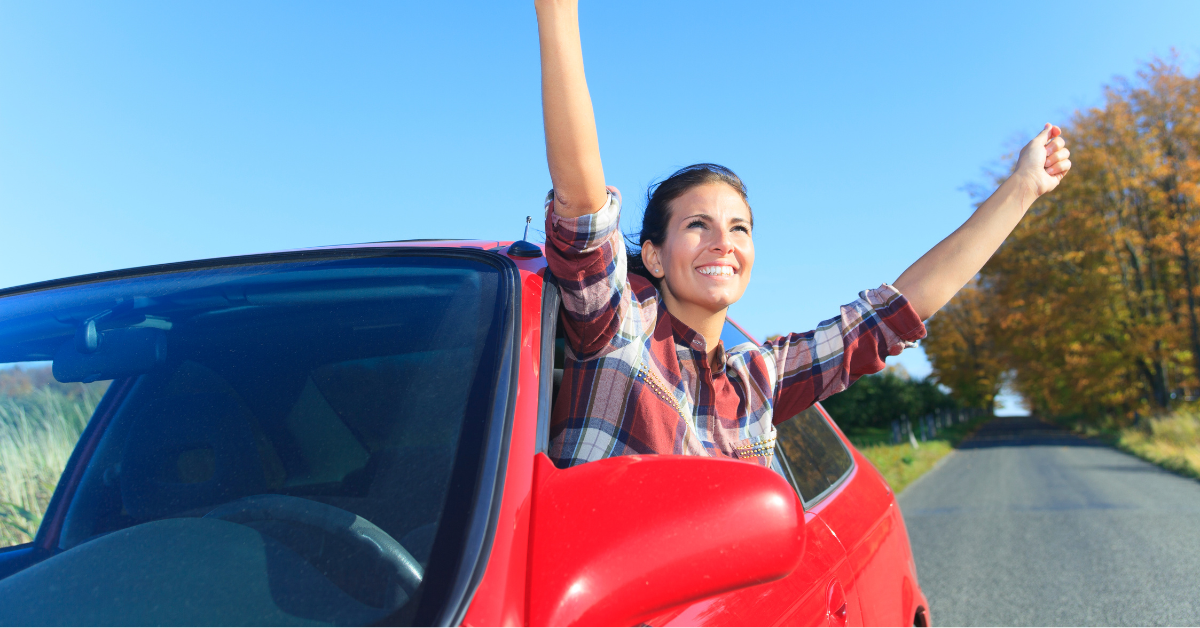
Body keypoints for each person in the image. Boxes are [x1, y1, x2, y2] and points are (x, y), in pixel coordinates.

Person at [536, 0, 1072, 468]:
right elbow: (583, 207)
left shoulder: (760, 379)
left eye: (739, 227)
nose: (723, 241)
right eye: (697, 224)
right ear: (653, 255)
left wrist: (1022, 188)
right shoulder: (618, 328)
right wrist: (558, 12)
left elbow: (901, 310)